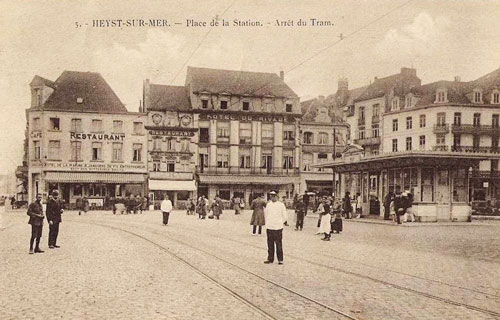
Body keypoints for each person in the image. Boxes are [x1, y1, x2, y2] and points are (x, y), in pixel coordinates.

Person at [264, 191, 288, 265]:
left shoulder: (281, 205)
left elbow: (285, 216)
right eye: (271, 196)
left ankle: (280, 259)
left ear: (277, 197)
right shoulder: (268, 205)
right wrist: (267, 223)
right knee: (270, 244)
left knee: (278, 244)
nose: (272, 198)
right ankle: (270, 258)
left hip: (278, 227)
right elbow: (266, 215)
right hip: (270, 227)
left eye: (274, 196)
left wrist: (280, 223)